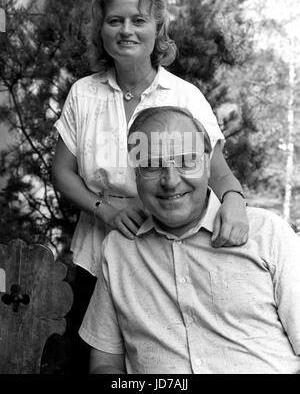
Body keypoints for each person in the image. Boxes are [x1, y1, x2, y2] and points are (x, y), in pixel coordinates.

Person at [51, 0, 248, 370]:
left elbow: (219, 173)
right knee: (89, 362)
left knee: (163, 361)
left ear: (158, 29)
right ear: (101, 30)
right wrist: (105, 209)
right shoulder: (83, 94)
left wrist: (236, 201)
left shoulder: (184, 97)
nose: (126, 30)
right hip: (97, 256)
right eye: (115, 20)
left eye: (138, 20)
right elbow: (63, 172)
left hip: (165, 258)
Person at [79, 106, 300, 374]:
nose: (171, 181)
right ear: (135, 172)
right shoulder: (118, 249)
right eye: (152, 165)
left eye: (186, 161)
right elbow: (104, 364)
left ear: (208, 163)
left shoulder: (267, 234)